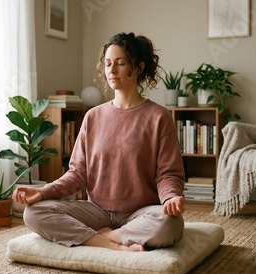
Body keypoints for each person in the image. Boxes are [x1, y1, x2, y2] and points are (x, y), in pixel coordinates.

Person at [13, 32, 185, 252]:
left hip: (141, 213)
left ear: (139, 68)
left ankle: (108, 235)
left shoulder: (159, 117)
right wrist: (43, 192)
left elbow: (167, 174)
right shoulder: (93, 116)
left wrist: (170, 198)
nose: (111, 71)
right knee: (34, 212)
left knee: (171, 223)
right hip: (96, 212)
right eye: (108, 64)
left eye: (120, 64)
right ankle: (112, 244)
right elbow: (77, 174)